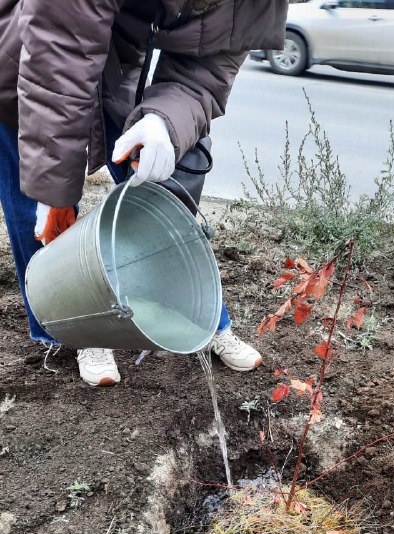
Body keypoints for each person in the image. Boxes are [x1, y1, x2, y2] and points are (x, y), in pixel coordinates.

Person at [0, 0, 287, 386]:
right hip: (25, 55)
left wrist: (164, 121)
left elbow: (209, 59)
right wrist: (53, 188)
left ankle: (204, 316)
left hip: (118, 51)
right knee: (38, 198)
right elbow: (60, 48)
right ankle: (78, 327)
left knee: (154, 183)